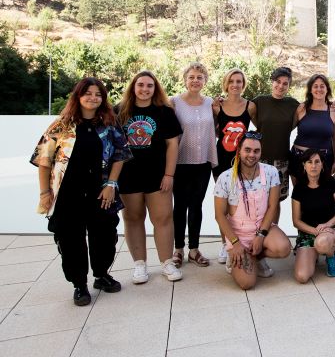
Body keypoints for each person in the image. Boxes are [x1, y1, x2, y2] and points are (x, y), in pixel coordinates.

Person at [31, 77, 131, 306]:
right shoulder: (61, 125)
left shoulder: (109, 124)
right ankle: (79, 284)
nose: (93, 98)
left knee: (105, 236)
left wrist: (111, 185)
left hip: (101, 192)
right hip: (68, 194)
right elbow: (44, 161)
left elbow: (120, 155)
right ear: (78, 96)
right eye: (88, 93)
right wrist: (44, 192)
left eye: (98, 94)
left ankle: (101, 275)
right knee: (70, 240)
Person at [116, 71, 183, 284]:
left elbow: (172, 144)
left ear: (156, 88)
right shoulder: (119, 111)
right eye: (141, 85)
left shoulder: (165, 112)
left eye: (150, 86)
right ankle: (140, 265)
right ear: (133, 86)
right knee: (133, 218)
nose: (145, 89)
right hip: (128, 175)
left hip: (158, 175)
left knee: (163, 219)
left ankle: (166, 262)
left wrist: (169, 174)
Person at [213, 132, 292, 290]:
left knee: (284, 248)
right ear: (239, 151)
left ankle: (255, 257)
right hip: (238, 235)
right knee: (246, 284)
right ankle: (238, 256)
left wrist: (261, 235)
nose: (252, 155)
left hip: (262, 228)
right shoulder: (226, 177)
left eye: (256, 151)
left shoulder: (271, 172)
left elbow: (272, 206)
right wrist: (235, 244)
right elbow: (219, 215)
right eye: (247, 150)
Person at [171, 62, 217, 270]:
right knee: (180, 206)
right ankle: (178, 249)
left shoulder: (210, 103)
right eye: (191, 77)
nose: (195, 81)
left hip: (203, 161)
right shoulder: (174, 103)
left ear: (205, 80)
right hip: (181, 162)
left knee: (196, 205)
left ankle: (194, 249)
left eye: (199, 77)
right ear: (185, 79)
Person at [212, 68, 255, 263]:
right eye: (232, 81)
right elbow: (210, 129)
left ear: (243, 84)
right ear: (226, 84)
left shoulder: (250, 106)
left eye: (239, 81)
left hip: (242, 160)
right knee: (224, 204)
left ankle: (239, 241)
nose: (235, 85)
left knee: (239, 203)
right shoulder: (216, 106)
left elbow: (261, 130)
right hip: (221, 159)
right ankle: (225, 244)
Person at [291, 150, 335, 282]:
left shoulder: (331, 183)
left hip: (328, 229)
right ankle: (314, 253)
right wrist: (314, 231)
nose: (313, 165)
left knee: (321, 243)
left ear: (322, 164)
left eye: (317, 162)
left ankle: (330, 257)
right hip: (308, 232)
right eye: (309, 162)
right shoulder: (299, 188)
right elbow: (296, 221)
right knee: (302, 276)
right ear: (304, 165)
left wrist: (327, 225)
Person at [252, 66, 300, 203]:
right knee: (259, 199)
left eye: (285, 83)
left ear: (289, 86)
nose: (281, 86)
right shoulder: (259, 101)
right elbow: (244, 111)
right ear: (272, 82)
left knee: (275, 200)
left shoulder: (293, 104)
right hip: (260, 159)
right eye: (278, 81)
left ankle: (273, 225)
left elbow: (308, 111)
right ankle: (259, 225)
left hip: (282, 160)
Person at [293, 73, 335, 176]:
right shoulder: (302, 108)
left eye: (322, 86)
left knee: (323, 192)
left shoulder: (333, 111)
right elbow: (287, 129)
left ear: (327, 89)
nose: (319, 89)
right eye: (315, 86)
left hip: (324, 160)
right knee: (301, 192)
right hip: (299, 159)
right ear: (310, 90)